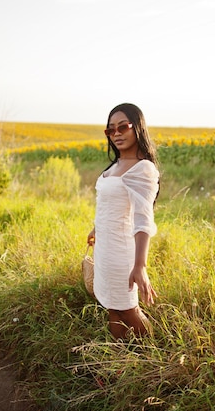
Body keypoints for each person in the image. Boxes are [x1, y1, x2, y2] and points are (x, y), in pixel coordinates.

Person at [87, 103, 160, 340]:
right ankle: (119, 362)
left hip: (122, 253)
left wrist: (140, 265)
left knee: (129, 309)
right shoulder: (116, 165)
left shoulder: (142, 169)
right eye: (110, 130)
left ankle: (154, 357)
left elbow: (142, 220)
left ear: (137, 127)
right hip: (104, 249)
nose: (116, 133)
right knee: (111, 306)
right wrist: (97, 228)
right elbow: (110, 205)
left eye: (122, 127)